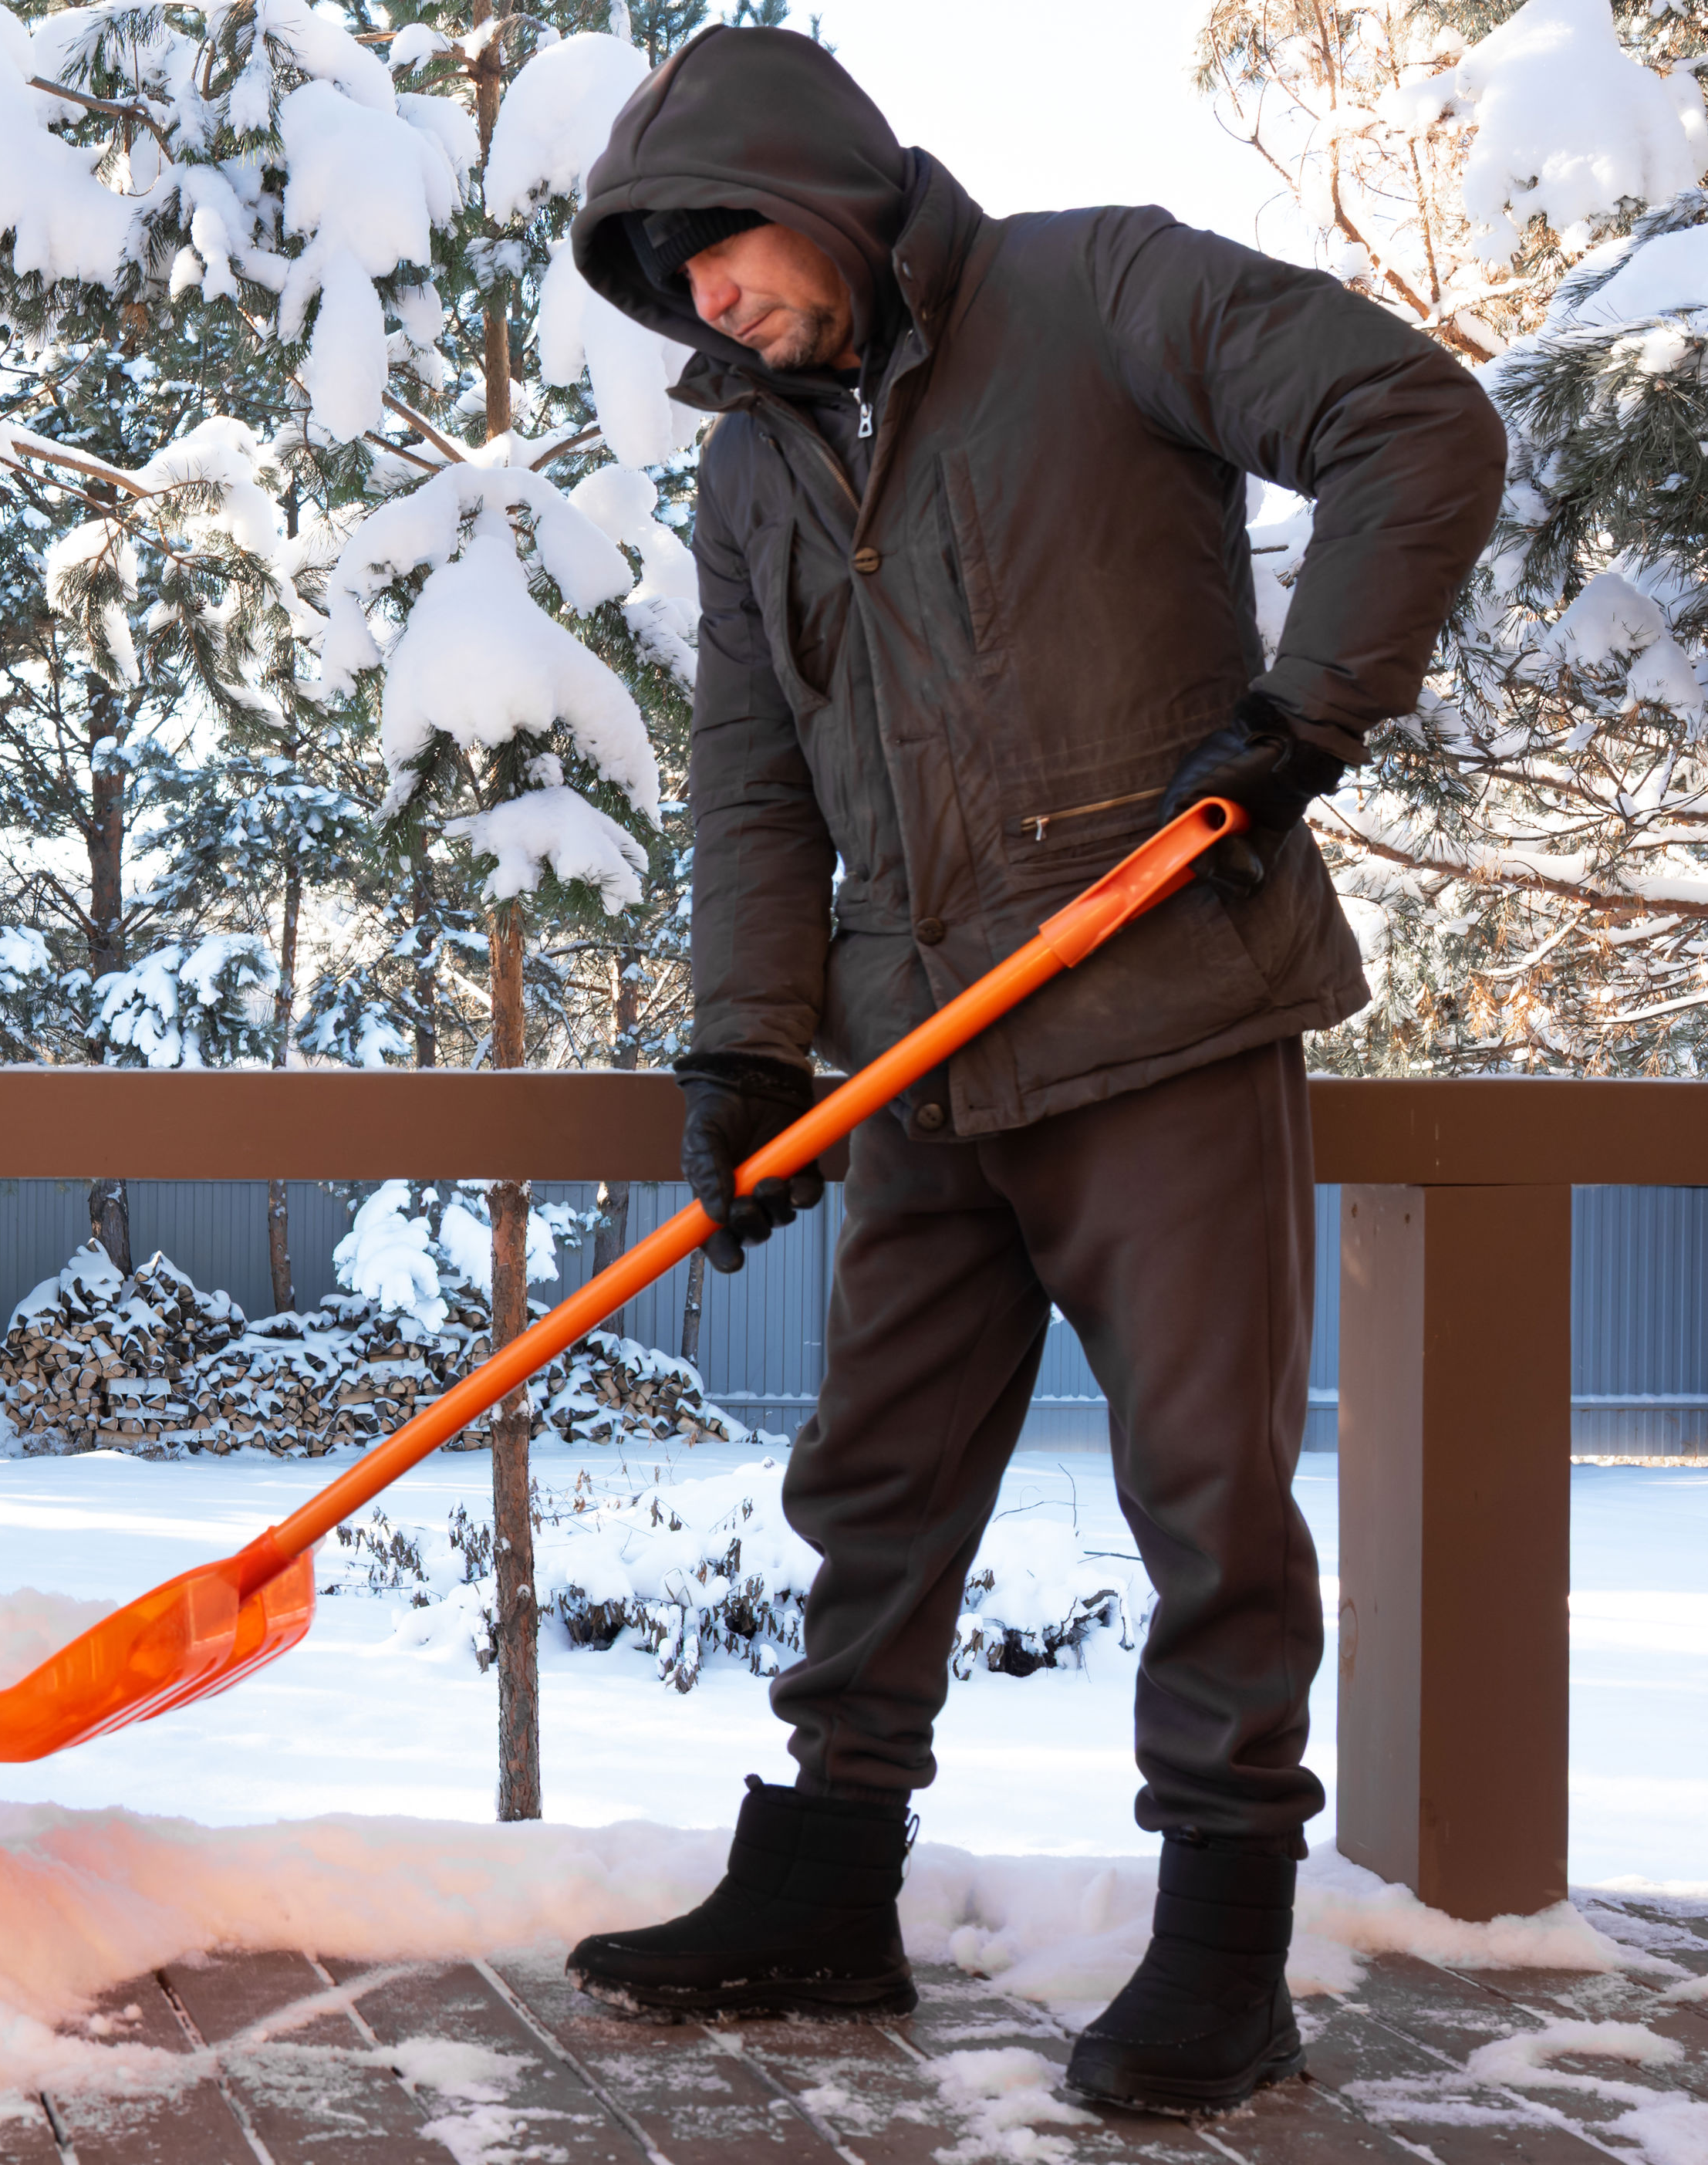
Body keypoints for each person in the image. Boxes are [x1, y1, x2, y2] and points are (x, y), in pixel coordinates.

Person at [555, 26, 1504, 2116]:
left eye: (717, 240)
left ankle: (1223, 1945)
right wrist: (738, 1048)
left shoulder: (1099, 294)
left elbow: (1408, 419)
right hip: (914, 1054)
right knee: (872, 1479)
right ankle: (820, 1883)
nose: (700, 295)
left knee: (1202, 1493)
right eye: (664, 274)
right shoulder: (747, 471)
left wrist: (1300, 721)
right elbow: (744, 779)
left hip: (1153, 1006)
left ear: (824, 187)